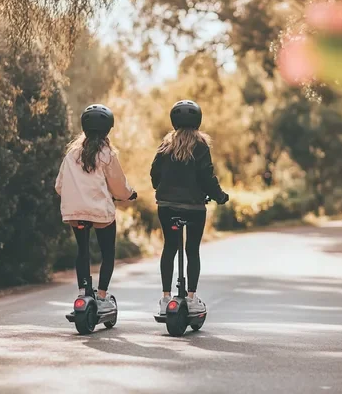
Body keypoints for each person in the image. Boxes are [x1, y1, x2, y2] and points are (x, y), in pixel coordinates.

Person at [56, 104, 136, 313]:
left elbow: (59, 186)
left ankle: (84, 293)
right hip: (100, 213)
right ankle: (101, 297)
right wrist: (129, 195)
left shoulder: (71, 155)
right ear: (107, 129)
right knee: (107, 252)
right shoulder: (107, 154)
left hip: (74, 213)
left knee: (82, 251)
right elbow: (118, 185)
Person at [151, 100, 229, 315]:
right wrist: (220, 196)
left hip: (166, 206)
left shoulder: (165, 145)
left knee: (169, 248)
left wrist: (161, 188)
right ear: (198, 120)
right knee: (191, 250)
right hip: (193, 207)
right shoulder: (201, 145)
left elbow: (154, 173)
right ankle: (192, 299)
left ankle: (166, 298)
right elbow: (207, 177)